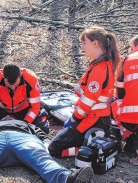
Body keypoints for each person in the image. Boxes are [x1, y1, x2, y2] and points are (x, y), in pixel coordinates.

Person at [48, 26, 121, 157]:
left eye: (84, 43)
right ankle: (88, 146)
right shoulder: (101, 64)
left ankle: (87, 150)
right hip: (94, 117)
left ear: (95, 43)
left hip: (92, 118)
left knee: (54, 149)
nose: (82, 47)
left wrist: (74, 118)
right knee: (59, 141)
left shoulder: (99, 69)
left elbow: (88, 102)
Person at [0, 63, 49, 133]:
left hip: (24, 110)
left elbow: (35, 107)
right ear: (3, 77)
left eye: (16, 85)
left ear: (20, 76)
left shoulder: (31, 78)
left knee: (42, 128)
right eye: (9, 85)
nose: (13, 88)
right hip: (1, 110)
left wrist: (25, 123)